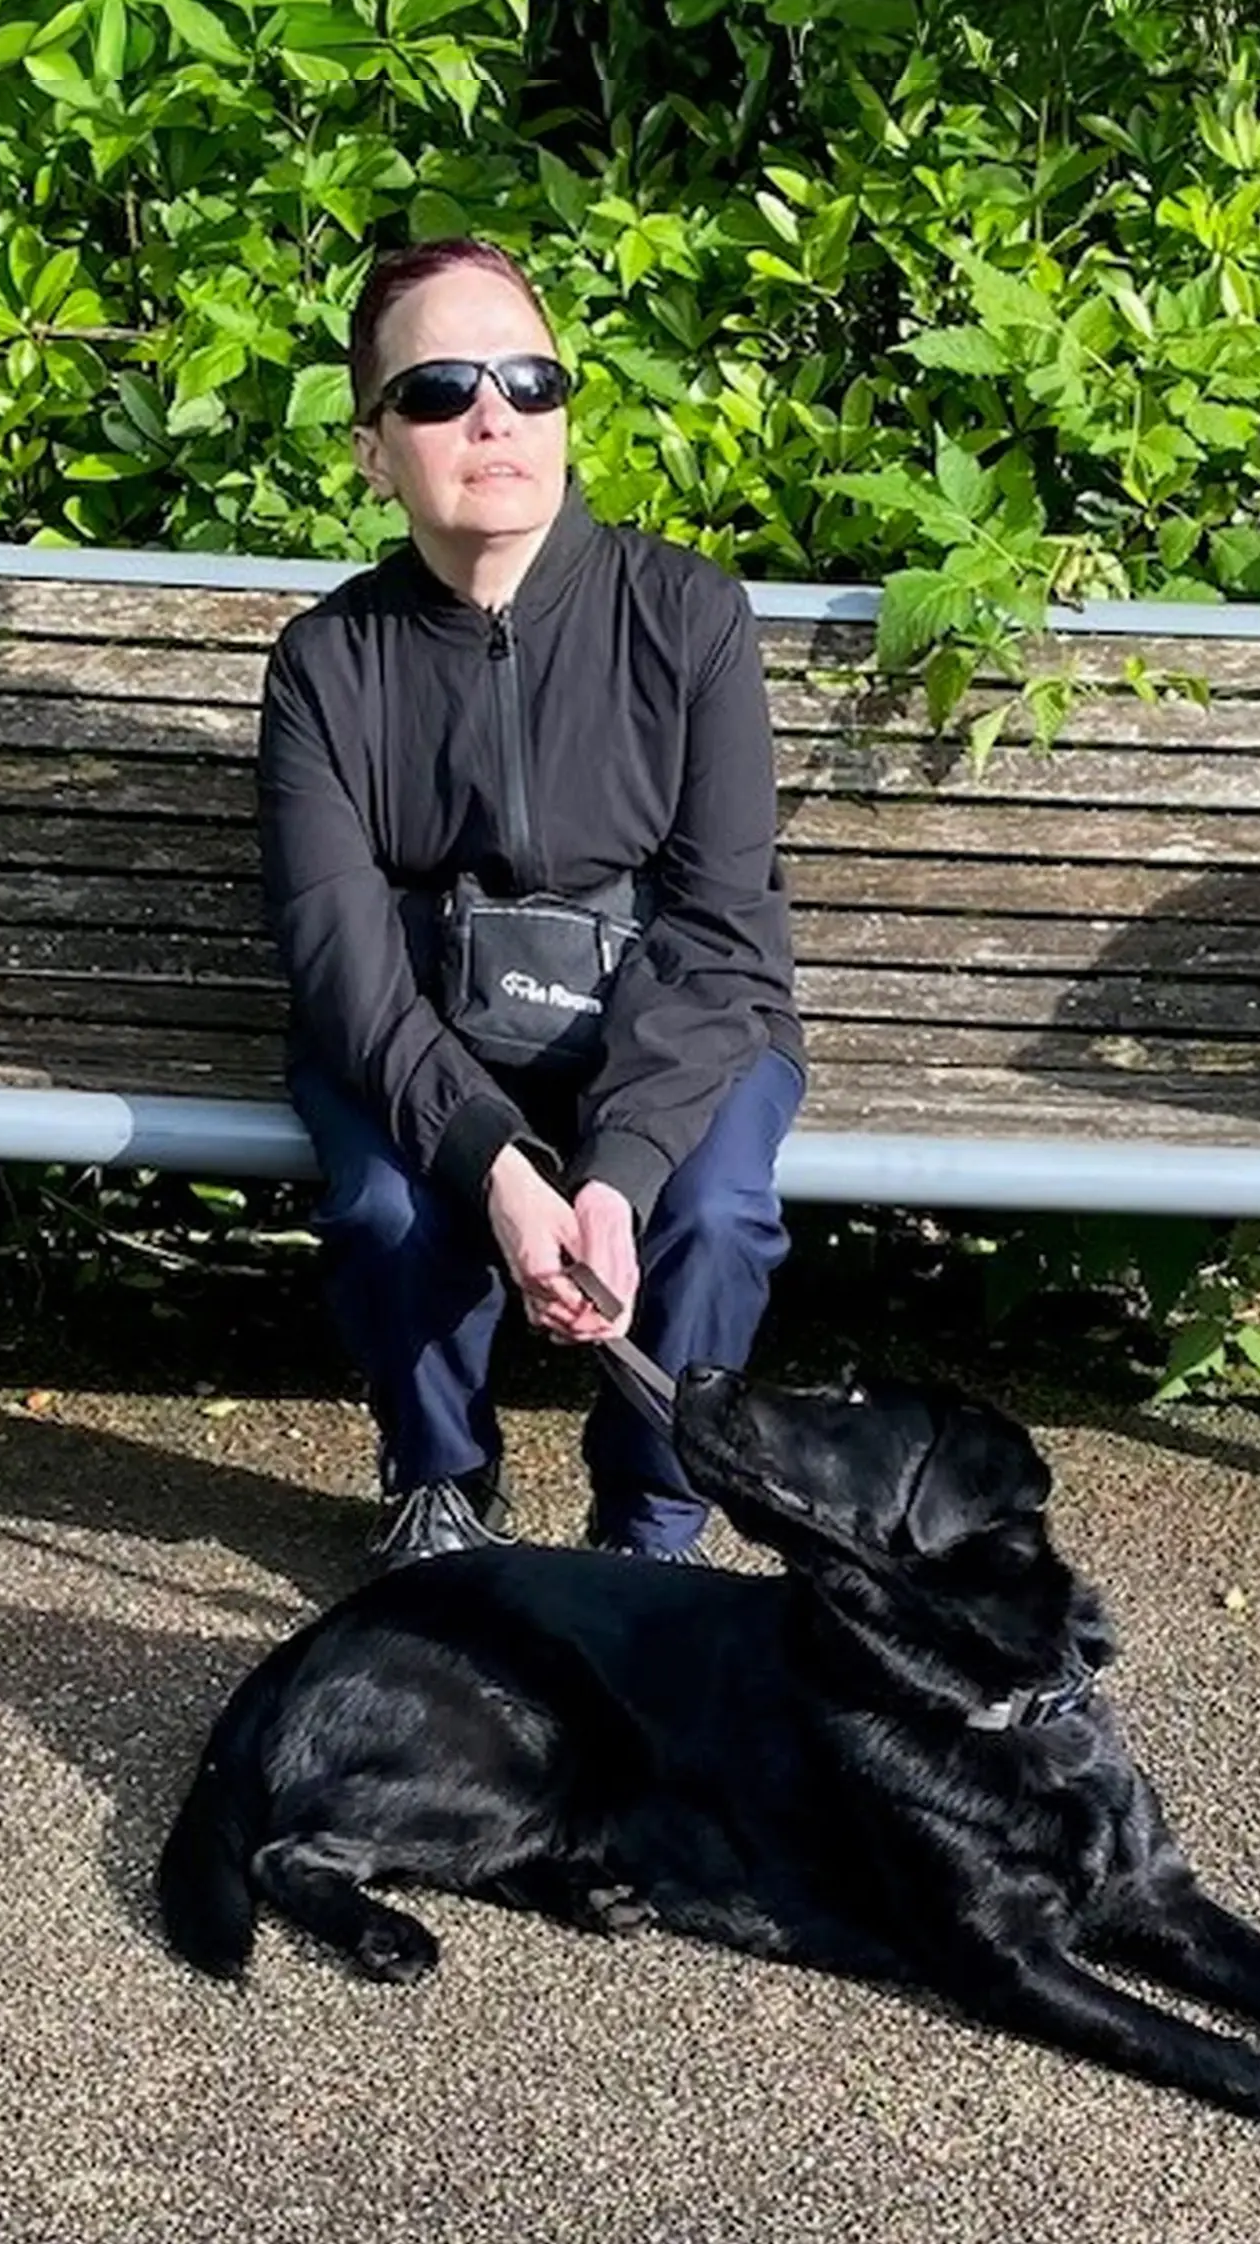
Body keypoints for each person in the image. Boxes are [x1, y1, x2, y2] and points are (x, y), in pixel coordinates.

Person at [257, 237, 804, 1574]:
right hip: (430, 1028)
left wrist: (616, 1171)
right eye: (440, 388)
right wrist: (497, 1165)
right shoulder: (329, 662)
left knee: (717, 1213)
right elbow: (343, 965)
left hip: (676, 1029)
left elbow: (725, 932)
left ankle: (654, 1526)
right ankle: (443, 1481)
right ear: (375, 449)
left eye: (528, 379)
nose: (492, 413)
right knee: (390, 1207)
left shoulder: (689, 616)